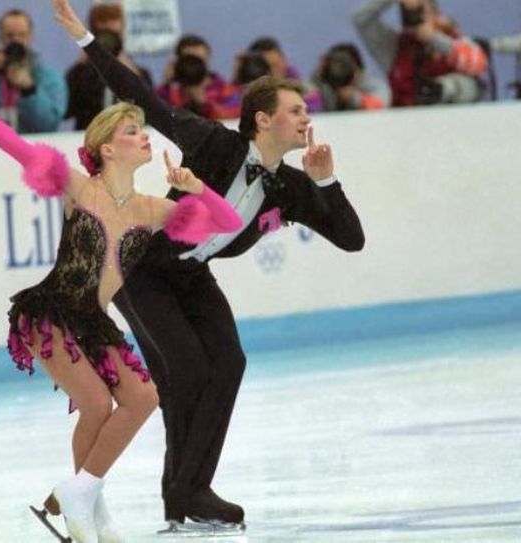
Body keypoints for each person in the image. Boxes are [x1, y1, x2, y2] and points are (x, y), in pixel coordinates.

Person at [52, 0, 365, 530]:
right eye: (295, 111)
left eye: (306, 111)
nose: (306, 118)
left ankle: (189, 492)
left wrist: (326, 181)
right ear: (263, 119)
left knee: (228, 363)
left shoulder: (287, 186)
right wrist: (86, 41)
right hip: (144, 271)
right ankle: (169, 492)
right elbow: (142, 98)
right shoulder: (213, 142)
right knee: (188, 370)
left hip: (192, 276)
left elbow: (351, 239)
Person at [0, 62, 241, 543]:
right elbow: (14, 144)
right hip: (50, 313)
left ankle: (84, 497)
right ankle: (82, 499)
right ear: (108, 148)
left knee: (142, 396)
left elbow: (229, 222)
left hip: (94, 320)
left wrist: (197, 189)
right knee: (94, 403)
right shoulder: (78, 187)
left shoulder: (153, 210)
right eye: (134, 131)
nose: (145, 136)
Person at [352, 0, 488, 107]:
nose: (417, 16)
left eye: (423, 10)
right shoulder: (396, 47)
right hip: (408, 122)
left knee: (465, 84)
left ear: (436, 13)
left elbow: (479, 64)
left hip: (452, 118)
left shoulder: (454, 39)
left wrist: (433, 38)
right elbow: (359, 18)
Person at [65, 3, 153, 129]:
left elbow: (150, 107)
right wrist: (84, 60)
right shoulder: (80, 73)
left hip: (128, 136)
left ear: (122, 33)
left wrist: (126, 65)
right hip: (89, 135)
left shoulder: (138, 73)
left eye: (113, 35)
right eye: (103, 34)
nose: (108, 41)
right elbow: (67, 111)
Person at [311, 42, 391, 111]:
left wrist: (353, 98)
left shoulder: (375, 86)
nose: (338, 69)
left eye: (344, 65)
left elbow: (379, 106)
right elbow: (305, 95)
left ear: (357, 69)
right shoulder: (324, 84)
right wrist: (319, 74)